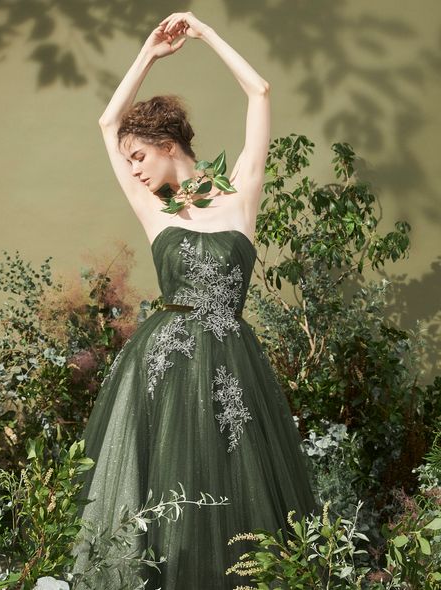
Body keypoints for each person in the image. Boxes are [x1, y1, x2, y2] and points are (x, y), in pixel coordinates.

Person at [70, 11, 317, 589]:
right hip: (162, 364)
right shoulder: (154, 211)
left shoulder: (241, 197)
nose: (133, 169)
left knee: (236, 484)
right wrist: (149, 54)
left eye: (139, 156)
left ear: (167, 145)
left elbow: (259, 91)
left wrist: (204, 34)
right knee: (160, 487)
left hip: (230, 359)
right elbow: (107, 122)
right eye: (128, 160)